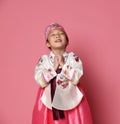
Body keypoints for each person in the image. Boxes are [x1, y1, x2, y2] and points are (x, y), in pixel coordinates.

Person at [32, 23, 93, 124]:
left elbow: (76, 78)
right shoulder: (44, 60)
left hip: (72, 97)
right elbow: (41, 81)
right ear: (48, 43)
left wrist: (63, 65)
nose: (57, 36)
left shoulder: (73, 58)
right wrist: (53, 68)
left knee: (74, 119)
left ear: (67, 41)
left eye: (61, 33)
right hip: (49, 101)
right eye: (53, 35)